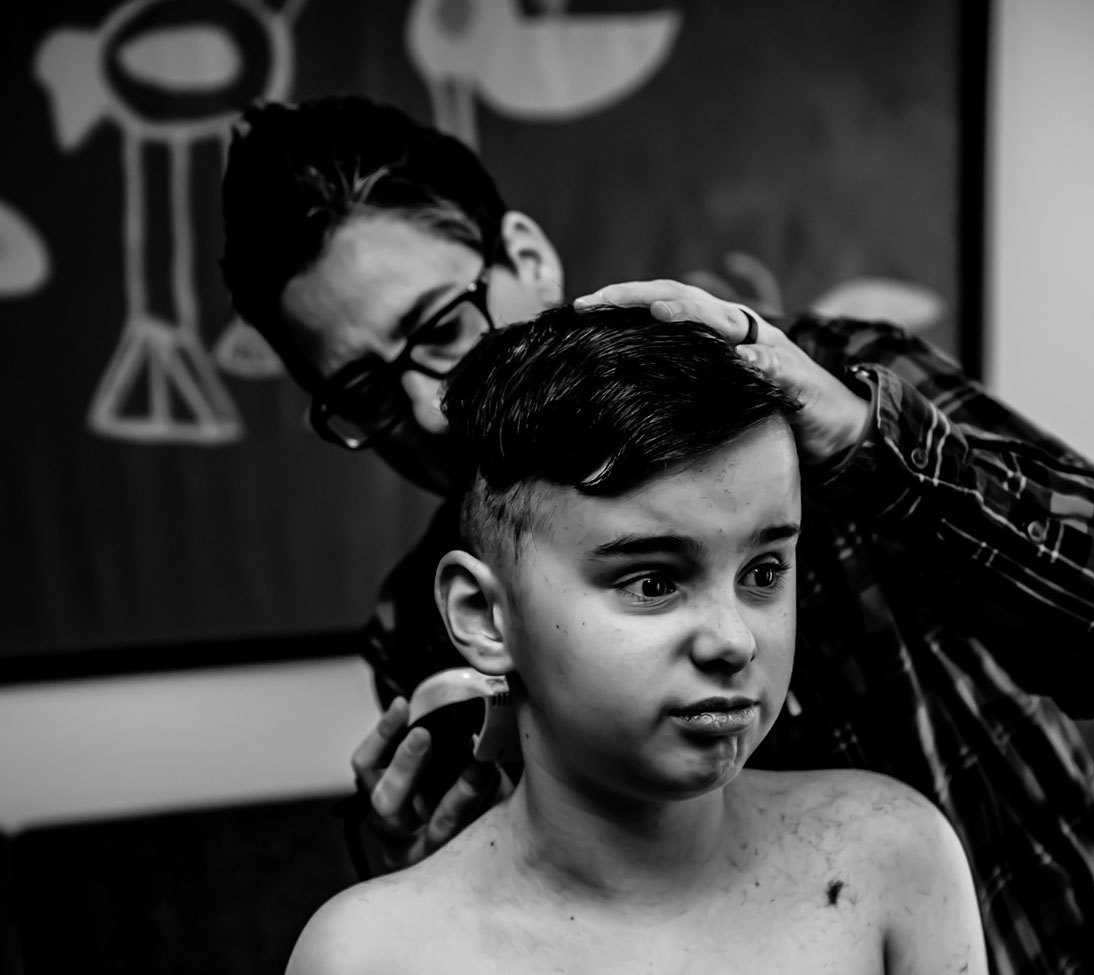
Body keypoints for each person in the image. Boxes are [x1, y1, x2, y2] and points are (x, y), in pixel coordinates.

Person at [220, 94, 1094, 975]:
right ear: (477, 614)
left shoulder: (821, 395)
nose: (430, 409)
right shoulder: (420, 629)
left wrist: (864, 448)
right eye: (361, 391)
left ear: (524, 256)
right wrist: (434, 889)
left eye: (443, 325)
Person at [284, 305, 988, 975]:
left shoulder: (891, 854)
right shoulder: (373, 954)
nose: (734, 640)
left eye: (764, 570)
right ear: (483, 615)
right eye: (652, 582)